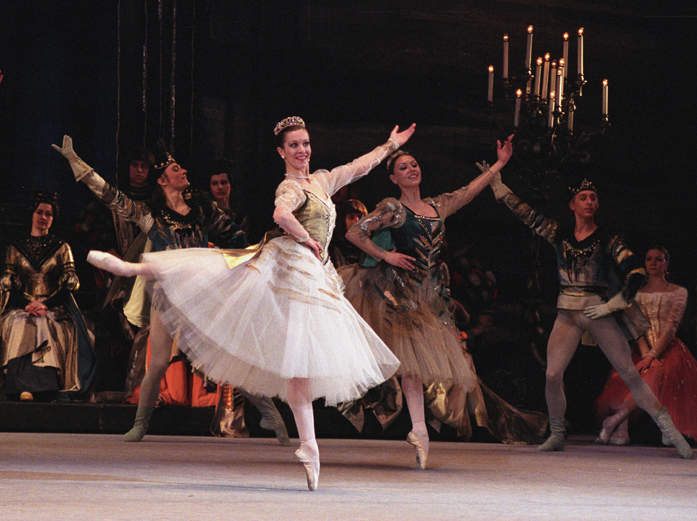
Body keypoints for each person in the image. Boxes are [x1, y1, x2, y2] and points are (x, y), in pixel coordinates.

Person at [76, 116, 410, 491]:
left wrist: (390, 146)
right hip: (290, 267)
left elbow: (357, 167)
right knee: (215, 273)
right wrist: (307, 239)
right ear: (282, 151)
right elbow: (281, 215)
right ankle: (130, 266)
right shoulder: (289, 187)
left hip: (314, 275)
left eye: (306, 143)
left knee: (299, 365)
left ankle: (309, 448)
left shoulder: (321, 180)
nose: (303, 150)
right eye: (295, 145)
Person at [52, 136, 290, 446]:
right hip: (167, 296)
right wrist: (77, 165)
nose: (184, 171)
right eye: (177, 168)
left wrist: (253, 259)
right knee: (159, 362)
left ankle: (269, 412)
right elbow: (111, 196)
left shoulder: (203, 208)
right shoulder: (150, 215)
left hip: (201, 293)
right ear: (163, 180)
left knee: (225, 355)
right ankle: (140, 423)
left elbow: (235, 236)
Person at [338, 135, 514, 469]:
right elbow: (354, 233)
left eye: (414, 164)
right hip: (397, 293)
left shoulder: (437, 205)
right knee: (411, 365)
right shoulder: (392, 208)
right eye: (403, 167)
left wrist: (500, 164)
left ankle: (419, 431)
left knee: (417, 366)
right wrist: (385, 255)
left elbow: (469, 191)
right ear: (394, 178)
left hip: (429, 296)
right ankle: (420, 430)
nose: (411, 169)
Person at [487, 175, 693, 459]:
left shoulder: (608, 239)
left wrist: (612, 306)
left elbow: (636, 271)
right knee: (552, 374)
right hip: (567, 314)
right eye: (583, 197)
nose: (589, 202)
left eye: (593, 198)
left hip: (597, 312)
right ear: (572, 205)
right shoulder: (559, 234)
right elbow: (530, 216)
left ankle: (669, 431)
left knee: (631, 374)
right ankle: (557, 433)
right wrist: (500, 188)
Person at [595, 246, 697, 445]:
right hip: (642, 347)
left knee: (656, 373)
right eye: (649, 259)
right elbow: (635, 326)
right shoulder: (636, 292)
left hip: (668, 348)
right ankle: (622, 431)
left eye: (658, 259)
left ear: (666, 263)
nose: (653, 263)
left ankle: (614, 421)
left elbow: (670, 328)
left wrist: (653, 355)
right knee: (628, 373)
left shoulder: (677, 292)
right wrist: (645, 353)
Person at [0, 191, 97, 401]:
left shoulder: (62, 248)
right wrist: (29, 304)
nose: (43, 217)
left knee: (47, 324)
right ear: (32, 215)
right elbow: (9, 283)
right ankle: (21, 386)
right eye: (39, 212)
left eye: (48, 214)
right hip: (22, 307)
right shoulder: (16, 248)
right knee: (18, 324)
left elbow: (70, 284)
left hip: (54, 307)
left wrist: (45, 305)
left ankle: (46, 387)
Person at [208, 160, 250, 234]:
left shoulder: (240, 217)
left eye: (223, 183)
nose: (220, 187)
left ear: (231, 186)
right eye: (215, 183)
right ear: (210, 188)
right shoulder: (208, 217)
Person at [328, 199, 368, 268]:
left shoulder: (370, 247)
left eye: (360, 217)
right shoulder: (333, 249)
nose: (357, 221)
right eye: (351, 217)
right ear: (342, 221)